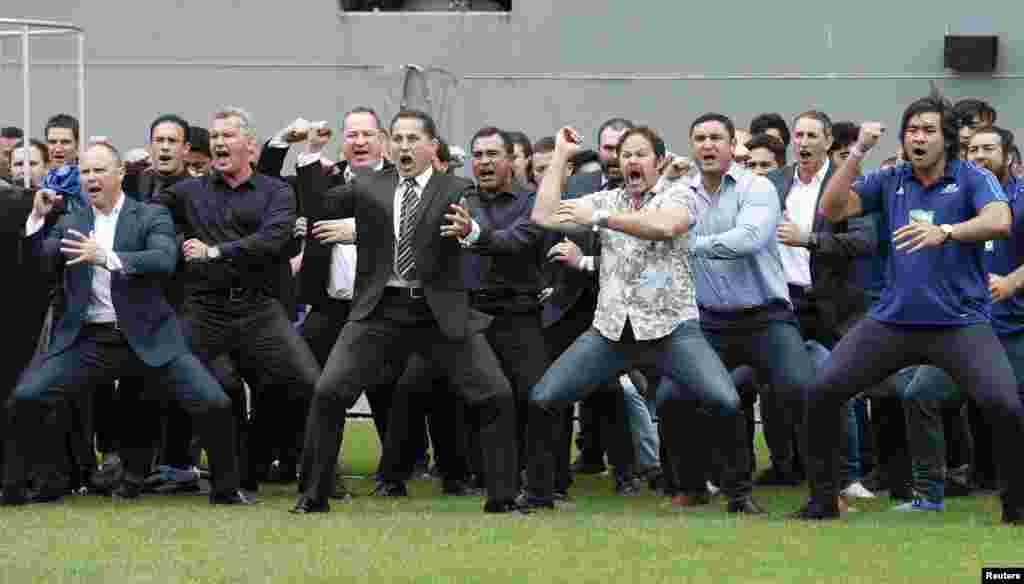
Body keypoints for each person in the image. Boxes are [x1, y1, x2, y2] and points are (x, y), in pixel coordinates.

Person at [796, 90, 1024, 524]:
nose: (918, 138)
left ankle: (1017, 509)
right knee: (822, 392)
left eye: (928, 131)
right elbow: (832, 208)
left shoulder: (972, 176)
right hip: (893, 322)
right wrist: (859, 150)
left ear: (947, 139)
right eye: (911, 130)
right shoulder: (891, 179)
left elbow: (999, 220)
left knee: (1006, 406)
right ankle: (822, 503)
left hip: (960, 324)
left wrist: (948, 231)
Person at [292, 109, 523, 515]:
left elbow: (473, 226)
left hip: (439, 311)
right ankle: (313, 496)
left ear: (432, 147)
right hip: (381, 310)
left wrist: (471, 232)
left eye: (413, 139)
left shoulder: (456, 188)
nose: (404, 146)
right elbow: (321, 205)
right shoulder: (368, 185)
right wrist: (311, 155)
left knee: (496, 394)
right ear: (388, 144)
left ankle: (502, 499)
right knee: (329, 392)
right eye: (397, 139)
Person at [527, 124, 763, 513]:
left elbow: (664, 227)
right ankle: (536, 496)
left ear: (658, 160)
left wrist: (600, 219)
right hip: (612, 330)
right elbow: (544, 214)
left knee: (724, 400)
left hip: (672, 329)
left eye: (640, 154)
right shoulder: (606, 197)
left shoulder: (681, 193)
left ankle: (739, 497)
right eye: (625, 155)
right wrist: (559, 157)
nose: (632, 160)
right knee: (544, 398)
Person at [2, 143, 249, 506]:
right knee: (26, 397)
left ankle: (227, 490)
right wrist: (38, 220)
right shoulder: (72, 219)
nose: (91, 178)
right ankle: (14, 488)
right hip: (89, 340)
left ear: (120, 174)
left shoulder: (150, 215)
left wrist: (108, 257)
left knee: (213, 402)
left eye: (99, 171)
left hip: (149, 337)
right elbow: (42, 261)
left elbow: (164, 260)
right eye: (85, 172)